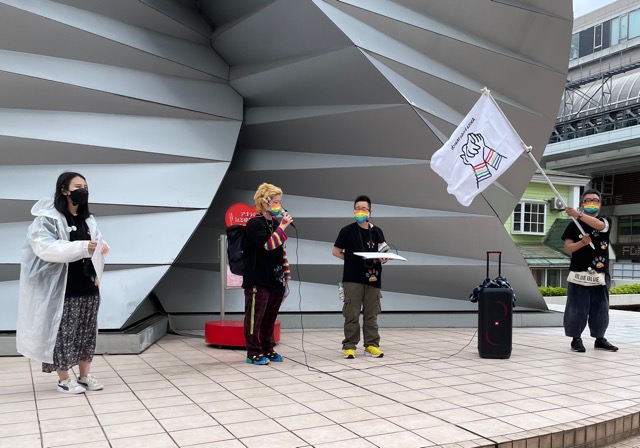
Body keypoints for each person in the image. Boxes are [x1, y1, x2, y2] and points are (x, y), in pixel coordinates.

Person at [16, 172, 110, 394]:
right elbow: (45, 247)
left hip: (88, 286)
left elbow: (97, 241)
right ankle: (64, 379)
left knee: (86, 333)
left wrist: (102, 247)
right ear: (64, 190)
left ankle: (85, 376)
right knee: (63, 334)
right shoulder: (47, 219)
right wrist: (83, 247)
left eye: (85, 186)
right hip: (63, 289)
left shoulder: (87, 219)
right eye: (78, 186)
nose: (83, 190)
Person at [242, 183, 293, 365]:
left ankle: (267, 348)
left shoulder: (275, 224)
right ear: (264, 203)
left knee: (270, 317)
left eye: (280, 202)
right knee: (255, 317)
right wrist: (283, 227)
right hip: (258, 279)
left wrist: (286, 273)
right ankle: (253, 352)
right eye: (276, 202)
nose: (279, 206)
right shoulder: (254, 224)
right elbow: (268, 245)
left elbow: (281, 250)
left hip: (275, 278)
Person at [332, 195, 389, 359]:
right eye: (358, 208)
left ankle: (371, 345)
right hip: (352, 279)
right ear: (353, 211)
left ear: (370, 211)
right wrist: (351, 260)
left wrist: (384, 258)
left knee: (372, 315)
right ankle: (349, 346)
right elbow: (336, 252)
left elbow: (384, 251)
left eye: (364, 208)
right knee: (352, 314)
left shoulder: (377, 231)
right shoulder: (346, 231)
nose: (361, 211)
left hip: (373, 279)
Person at [562, 189, 618, 353]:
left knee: (601, 309)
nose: (591, 203)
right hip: (579, 273)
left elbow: (601, 226)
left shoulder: (605, 221)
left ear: (599, 204)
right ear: (582, 204)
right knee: (576, 309)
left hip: (600, 275)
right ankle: (576, 339)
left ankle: (600, 338)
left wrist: (578, 215)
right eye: (588, 200)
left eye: (595, 200)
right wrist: (582, 243)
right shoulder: (573, 225)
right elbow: (568, 248)